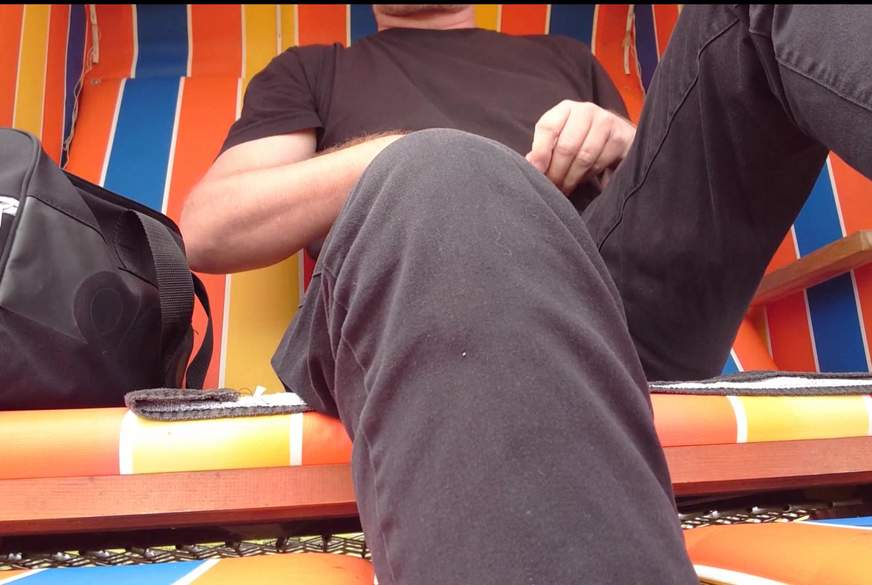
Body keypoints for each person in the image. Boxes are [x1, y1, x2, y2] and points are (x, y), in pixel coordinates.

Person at [180, 4, 872, 583]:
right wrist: (407, 153)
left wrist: (620, 141)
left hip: (611, 298)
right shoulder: (313, 69)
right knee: (448, 176)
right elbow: (211, 226)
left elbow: (659, 189)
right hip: (407, 305)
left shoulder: (565, 58)